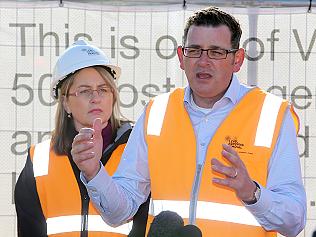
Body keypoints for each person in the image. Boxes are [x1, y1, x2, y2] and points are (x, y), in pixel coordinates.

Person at [72, 7, 306, 237]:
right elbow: (119, 213)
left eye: (216, 52)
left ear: (237, 60)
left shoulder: (272, 114)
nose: (203, 62)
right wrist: (94, 172)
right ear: (181, 57)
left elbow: (294, 221)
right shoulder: (157, 112)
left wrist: (252, 193)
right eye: (194, 51)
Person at [14, 39, 149, 237]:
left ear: (113, 96)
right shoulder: (39, 160)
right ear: (66, 103)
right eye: (85, 91)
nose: (96, 98)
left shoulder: (138, 147)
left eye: (103, 89)